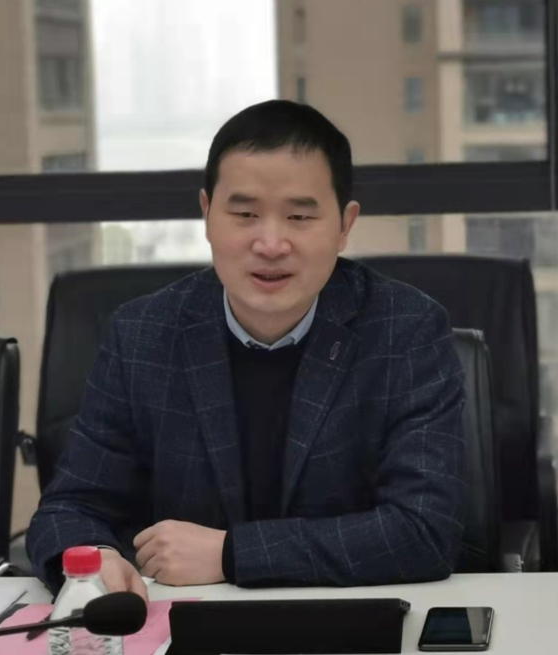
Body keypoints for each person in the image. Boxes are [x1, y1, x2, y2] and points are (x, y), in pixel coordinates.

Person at [27, 100, 466, 599]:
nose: (271, 243)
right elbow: (68, 509)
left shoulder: (405, 331)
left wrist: (231, 553)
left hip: (350, 621)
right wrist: (95, 558)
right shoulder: (141, 336)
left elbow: (425, 531)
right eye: (245, 214)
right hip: (186, 624)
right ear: (206, 215)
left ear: (344, 226)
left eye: (299, 215)